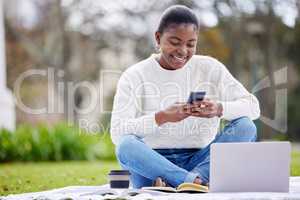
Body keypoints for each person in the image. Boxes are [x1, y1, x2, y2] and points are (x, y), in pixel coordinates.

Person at [110, 5, 260, 188]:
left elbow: (254, 107)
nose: (183, 51)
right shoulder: (134, 75)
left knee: (246, 126)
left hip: (201, 160)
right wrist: (162, 117)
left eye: (190, 44)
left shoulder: (210, 68)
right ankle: (194, 182)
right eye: (175, 42)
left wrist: (219, 109)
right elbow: (117, 132)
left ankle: (189, 181)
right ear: (158, 38)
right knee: (125, 146)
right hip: (154, 165)